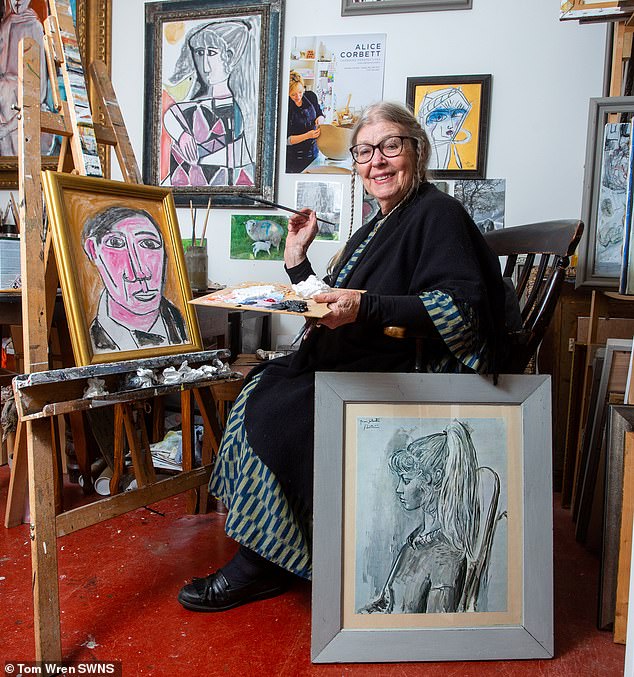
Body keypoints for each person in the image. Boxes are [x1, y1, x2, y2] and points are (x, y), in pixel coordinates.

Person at [177, 101, 509, 612]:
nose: (377, 161)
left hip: (406, 371)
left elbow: (458, 308)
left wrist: (365, 306)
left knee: (277, 409)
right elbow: (337, 303)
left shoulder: (436, 213)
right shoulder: (383, 221)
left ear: (416, 152)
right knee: (262, 384)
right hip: (366, 359)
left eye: (390, 146)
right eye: (364, 152)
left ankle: (257, 566)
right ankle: (275, 551)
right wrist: (297, 260)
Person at [360, 420, 488, 615]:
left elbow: (437, 629)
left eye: (406, 480)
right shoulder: (412, 545)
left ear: (433, 478)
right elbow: (386, 604)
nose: (399, 489)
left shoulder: (446, 558)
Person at [162, 20, 255, 188]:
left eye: (211, 53)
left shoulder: (239, 109)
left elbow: (240, 157)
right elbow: (170, 115)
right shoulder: (194, 105)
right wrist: (182, 136)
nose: (204, 65)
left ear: (229, 57)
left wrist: (198, 156)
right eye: (199, 53)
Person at [82, 206, 188, 353]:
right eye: (116, 243)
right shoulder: (91, 342)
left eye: (149, 244)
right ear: (93, 250)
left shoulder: (185, 327)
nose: (140, 273)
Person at [0, 0, 49, 155]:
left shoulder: (34, 26)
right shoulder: (5, 24)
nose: (18, 1)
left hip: (23, 96)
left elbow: (39, 91)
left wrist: (7, 127)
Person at [285, 71, 325, 173]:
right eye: (293, 94)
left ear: (303, 87)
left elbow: (320, 114)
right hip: (294, 158)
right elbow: (287, 140)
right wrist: (307, 135)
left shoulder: (311, 96)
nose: (298, 97)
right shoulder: (285, 105)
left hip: (314, 152)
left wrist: (320, 118)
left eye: (300, 92)